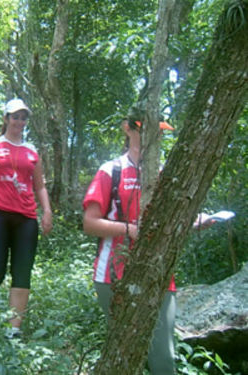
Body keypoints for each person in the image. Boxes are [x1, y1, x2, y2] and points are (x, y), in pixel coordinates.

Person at [82, 116, 176, 374]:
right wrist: (129, 229)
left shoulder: (164, 174)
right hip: (113, 275)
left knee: (164, 359)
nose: (156, 136)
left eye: (160, 131)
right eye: (148, 129)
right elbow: (89, 223)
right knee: (123, 356)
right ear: (129, 128)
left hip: (159, 275)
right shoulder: (110, 170)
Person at [0, 98, 53, 335]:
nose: (19, 121)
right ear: (6, 118)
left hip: (26, 218)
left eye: (23, 117)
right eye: (15, 116)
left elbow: (40, 186)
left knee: (22, 271)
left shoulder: (32, 151)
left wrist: (46, 211)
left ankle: (13, 331)